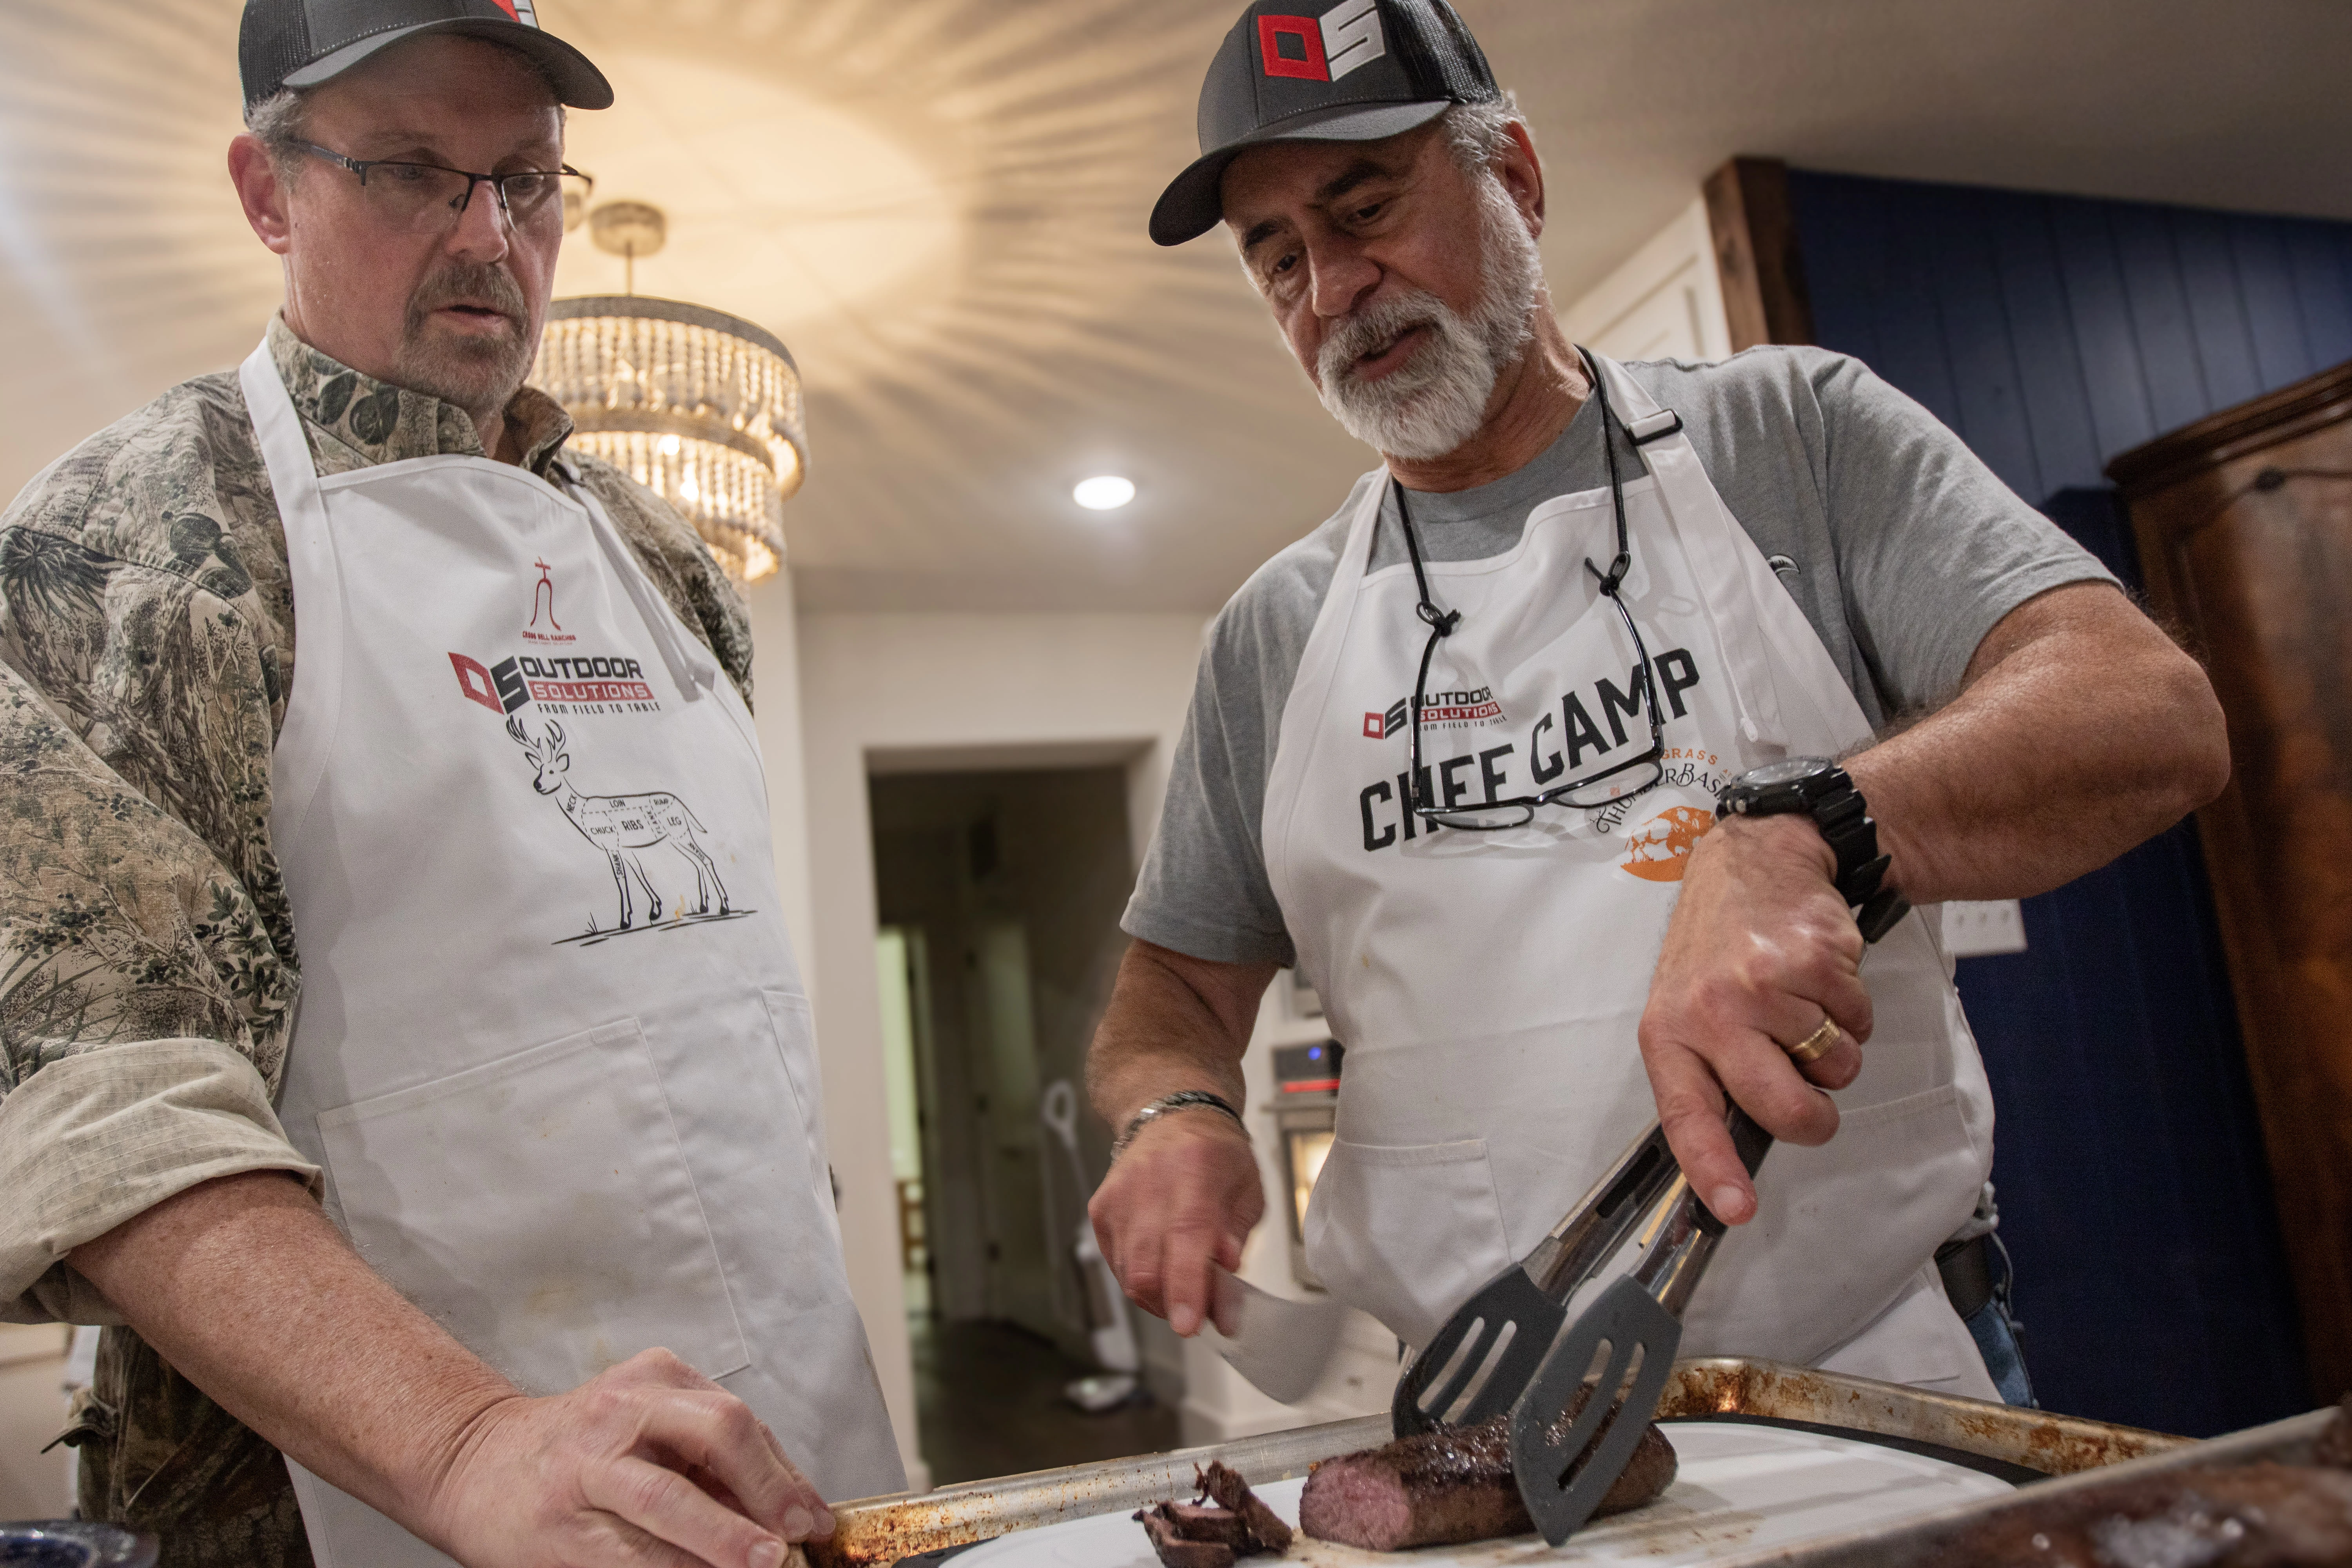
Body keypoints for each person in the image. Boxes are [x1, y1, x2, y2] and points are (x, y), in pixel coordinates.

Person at [1087, 0, 2229, 1405]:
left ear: (1514, 180)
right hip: (1471, 1418)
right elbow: (1168, 999)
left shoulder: (1791, 436)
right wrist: (1176, 1109)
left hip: (1870, 1370)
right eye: (1277, 260)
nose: (1332, 292)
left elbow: (2150, 713)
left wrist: (1809, 829)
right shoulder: (1274, 632)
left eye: (1365, 209)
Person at [0, 2, 902, 1563]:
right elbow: (105, 1097)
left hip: (785, 1460)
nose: (492, 236)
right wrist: (472, 1441)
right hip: (359, 1500)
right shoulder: (126, 549)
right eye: (417, 173)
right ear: (267, 190)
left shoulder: (666, 561)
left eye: (531, 182)